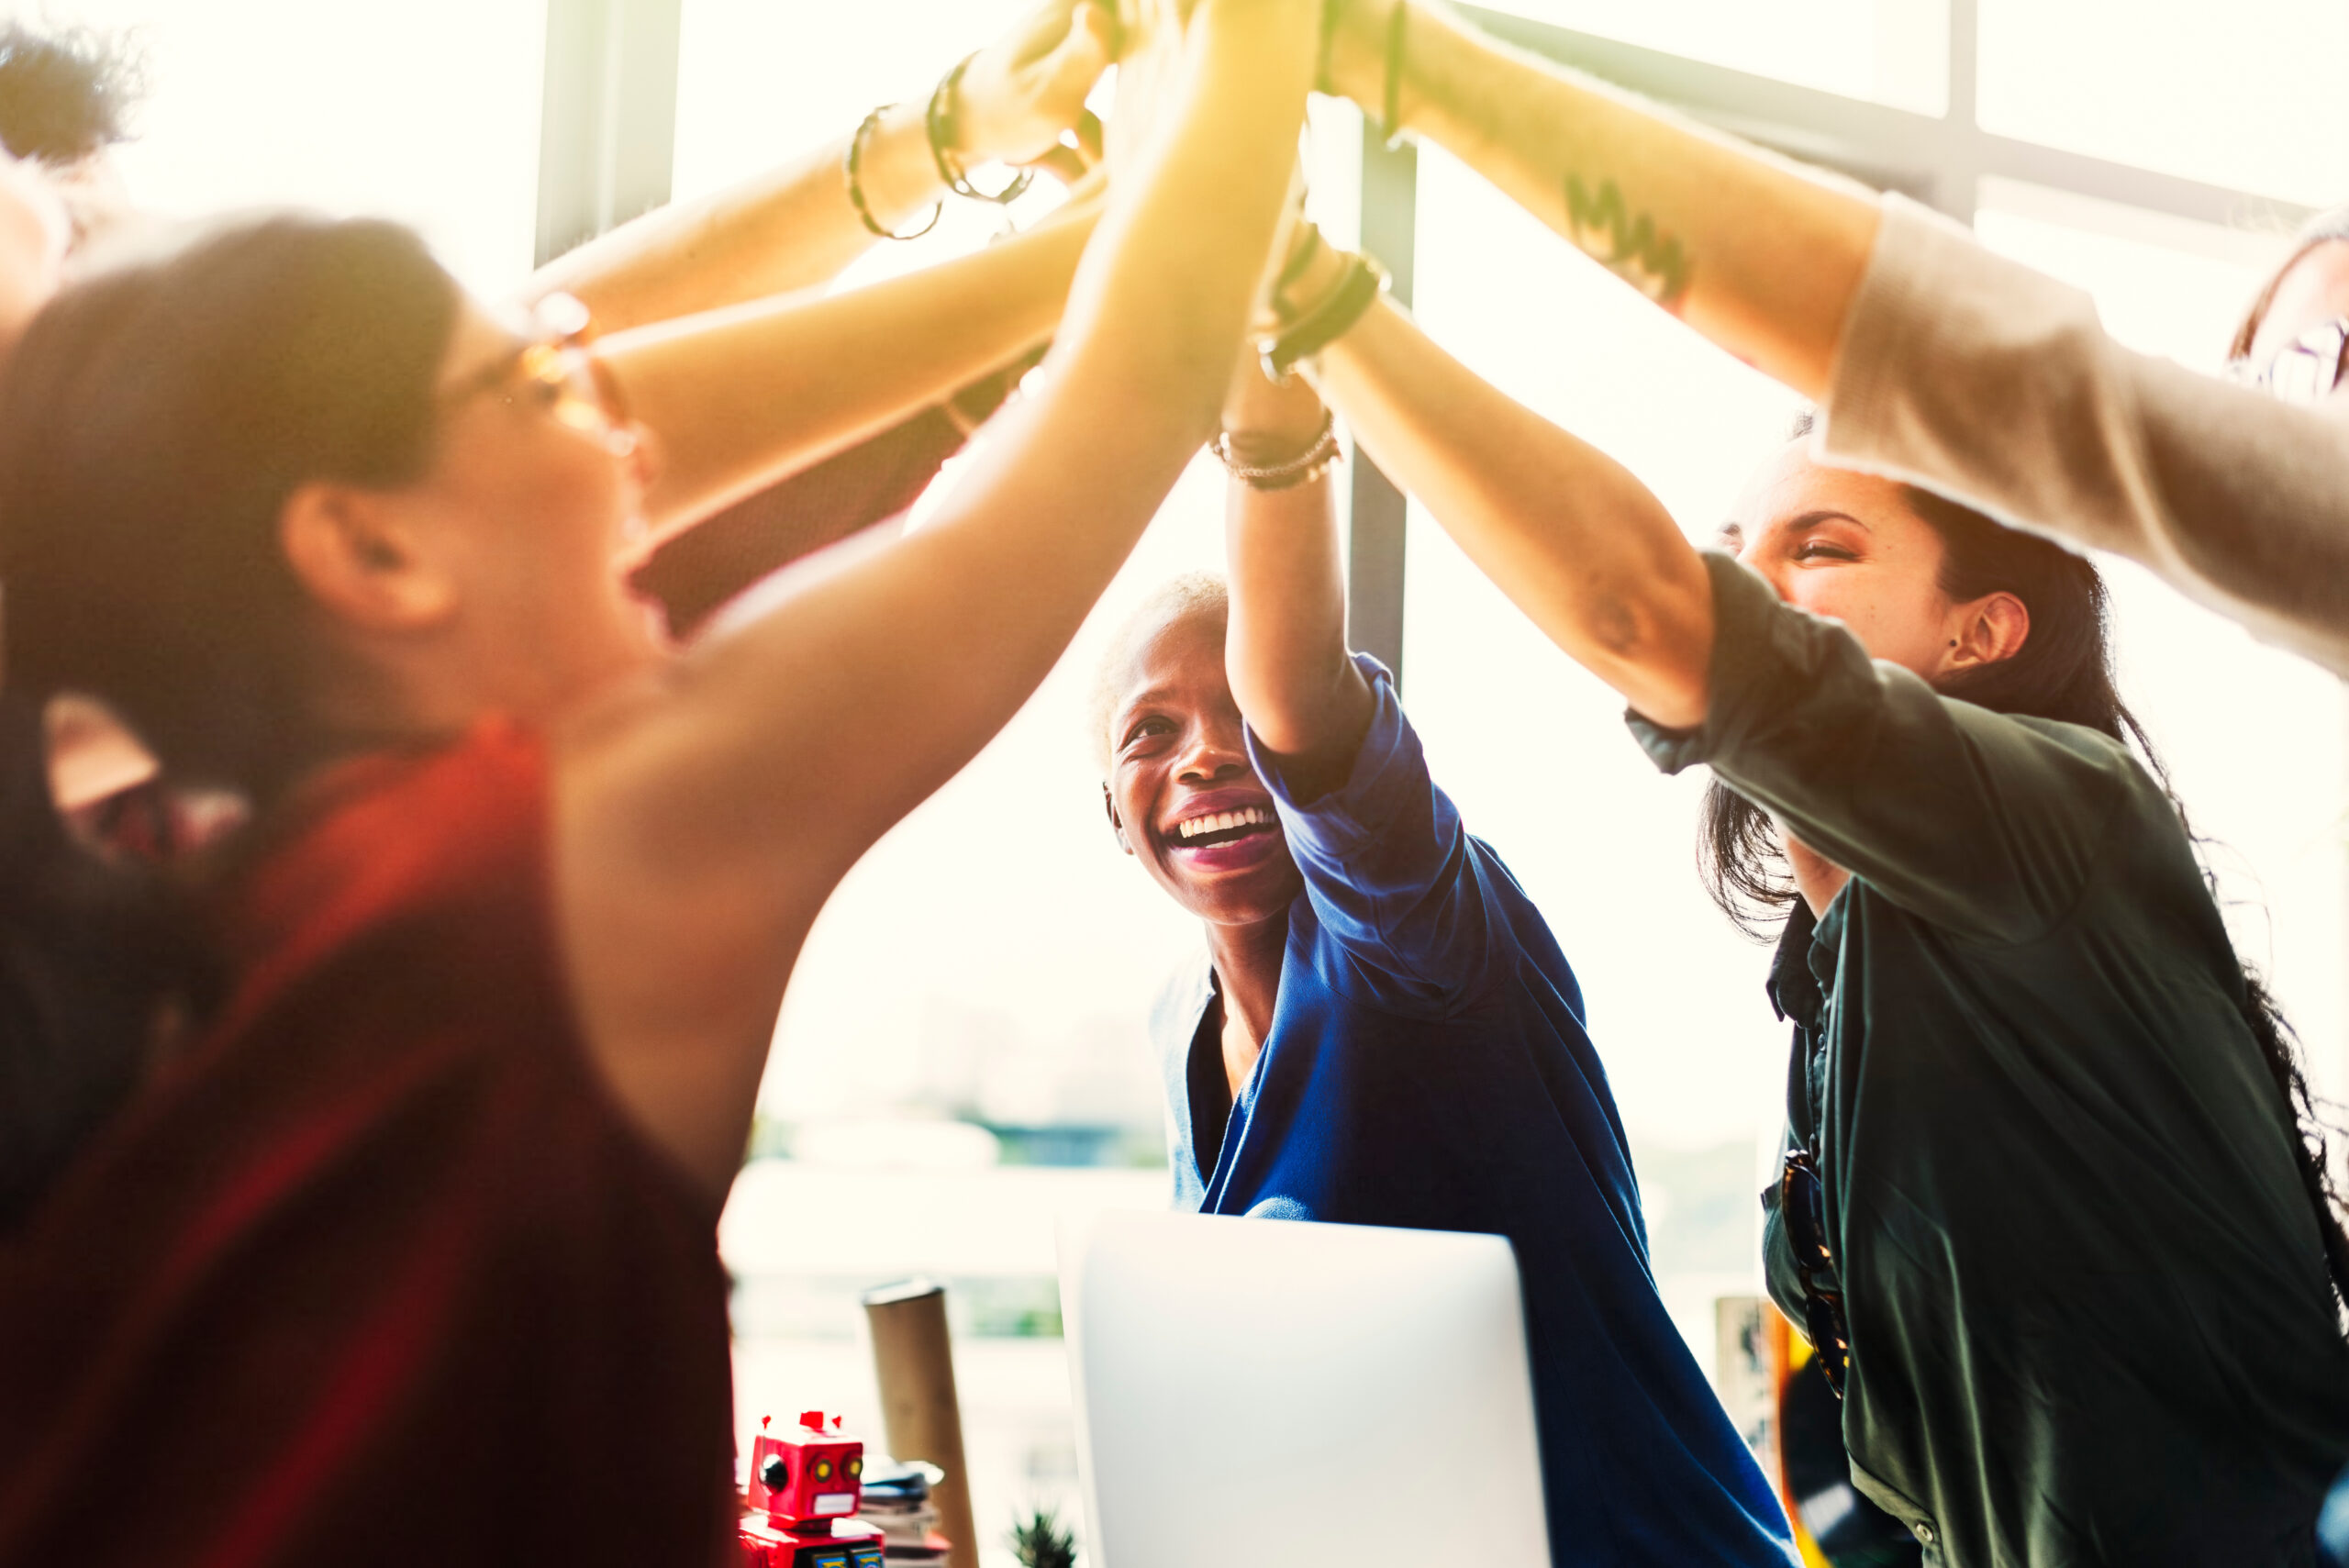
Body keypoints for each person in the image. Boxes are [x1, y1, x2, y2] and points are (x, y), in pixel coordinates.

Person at [0, 0, 1319, 1560]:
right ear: (362, 550)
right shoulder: (540, 869)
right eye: (557, 390)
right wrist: (1234, 65)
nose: (630, 446)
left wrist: (1018, 194)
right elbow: (1125, 396)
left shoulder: (176, 907)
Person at [1269, 218, 2349, 1562]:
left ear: (1981, 630)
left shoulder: (2064, 816)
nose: (1754, 583)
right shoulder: (1841, 968)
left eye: (1819, 549)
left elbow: (1652, 613)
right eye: (1739, 543)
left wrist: (1317, 313)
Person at [1095, 335, 1798, 1562]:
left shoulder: (1413, 932)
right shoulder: (1182, 1031)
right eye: (1152, 730)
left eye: (1234, 711)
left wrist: (1269, 421)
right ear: (1115, 812)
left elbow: (1303, 705)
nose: (1209, 753)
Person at [1311, 0, 2349, 675]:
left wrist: (1382, 63)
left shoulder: (2044, 824)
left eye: (2325, 361)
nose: (2275, 435)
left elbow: (1655, 615)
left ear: (1982, 628)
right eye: (2257, 387)